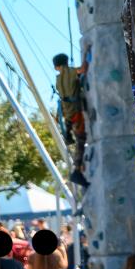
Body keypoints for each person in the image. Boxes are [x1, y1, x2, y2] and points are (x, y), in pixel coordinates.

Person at [52, 50, 89, 183]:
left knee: (79, 139)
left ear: (56, 67)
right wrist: (86, 54)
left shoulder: (58, 79)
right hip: (75, 112)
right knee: (81, 140)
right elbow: (83, 69)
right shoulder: (68, 72)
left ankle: (80, 167)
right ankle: (77, 170)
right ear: (66, 63)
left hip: (68, 114)